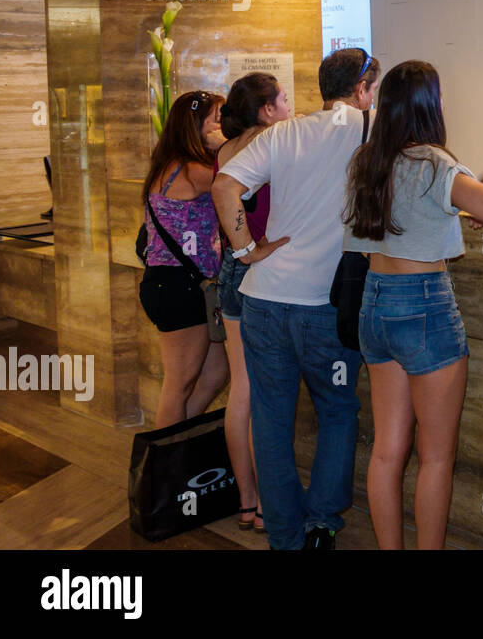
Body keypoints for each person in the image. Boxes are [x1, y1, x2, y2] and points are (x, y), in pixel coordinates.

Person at [211, 48, 379, 551]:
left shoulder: (284, 132)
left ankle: (283, 536)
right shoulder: (368, 128)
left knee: (271, 419)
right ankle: (322, 522)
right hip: (325, 308)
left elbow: (224, 187)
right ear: (363, 88)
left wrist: (245, 250)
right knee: (336, 412)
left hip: (263, 301)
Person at [343, 60, 483, 550]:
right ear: (430, 105)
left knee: (388, 451)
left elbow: (404, 215)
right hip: (425, 307)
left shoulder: (367, 161)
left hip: (374, 302)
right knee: (436, 456)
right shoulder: (436, 161)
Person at [212, 72, 290, 533]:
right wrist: (253, 249)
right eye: (282, 99)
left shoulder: (223, 150)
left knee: (240, 390)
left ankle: (247, 500)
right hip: (256, 270)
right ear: (266, 109)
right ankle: (268, 506)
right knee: (262, 394)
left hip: (227, 273)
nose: (287, 107)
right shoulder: (272, 141)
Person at [138, 90, 228, 429]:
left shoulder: (174, 164)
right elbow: (241, 179)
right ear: (196, 125)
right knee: (179, 383)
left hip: (183, 284)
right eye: (218, 118)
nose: (224, 125)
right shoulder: (191, 169)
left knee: (216, 370)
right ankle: (167, 467)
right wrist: (225, 145)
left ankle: (180, 437)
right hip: (177, 284)